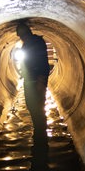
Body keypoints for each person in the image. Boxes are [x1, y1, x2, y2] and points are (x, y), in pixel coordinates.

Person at [15, 19, 50, 147]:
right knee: (31, 106)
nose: (21, 37)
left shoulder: (37, 43)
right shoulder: (26, 44)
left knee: (38, 107)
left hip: (37, 80)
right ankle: (39, 131)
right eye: (20, 36)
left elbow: (43, 63)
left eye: (22, 35)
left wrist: (41, 82)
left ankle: (41, 136)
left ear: (27, 33)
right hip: (29, 80)